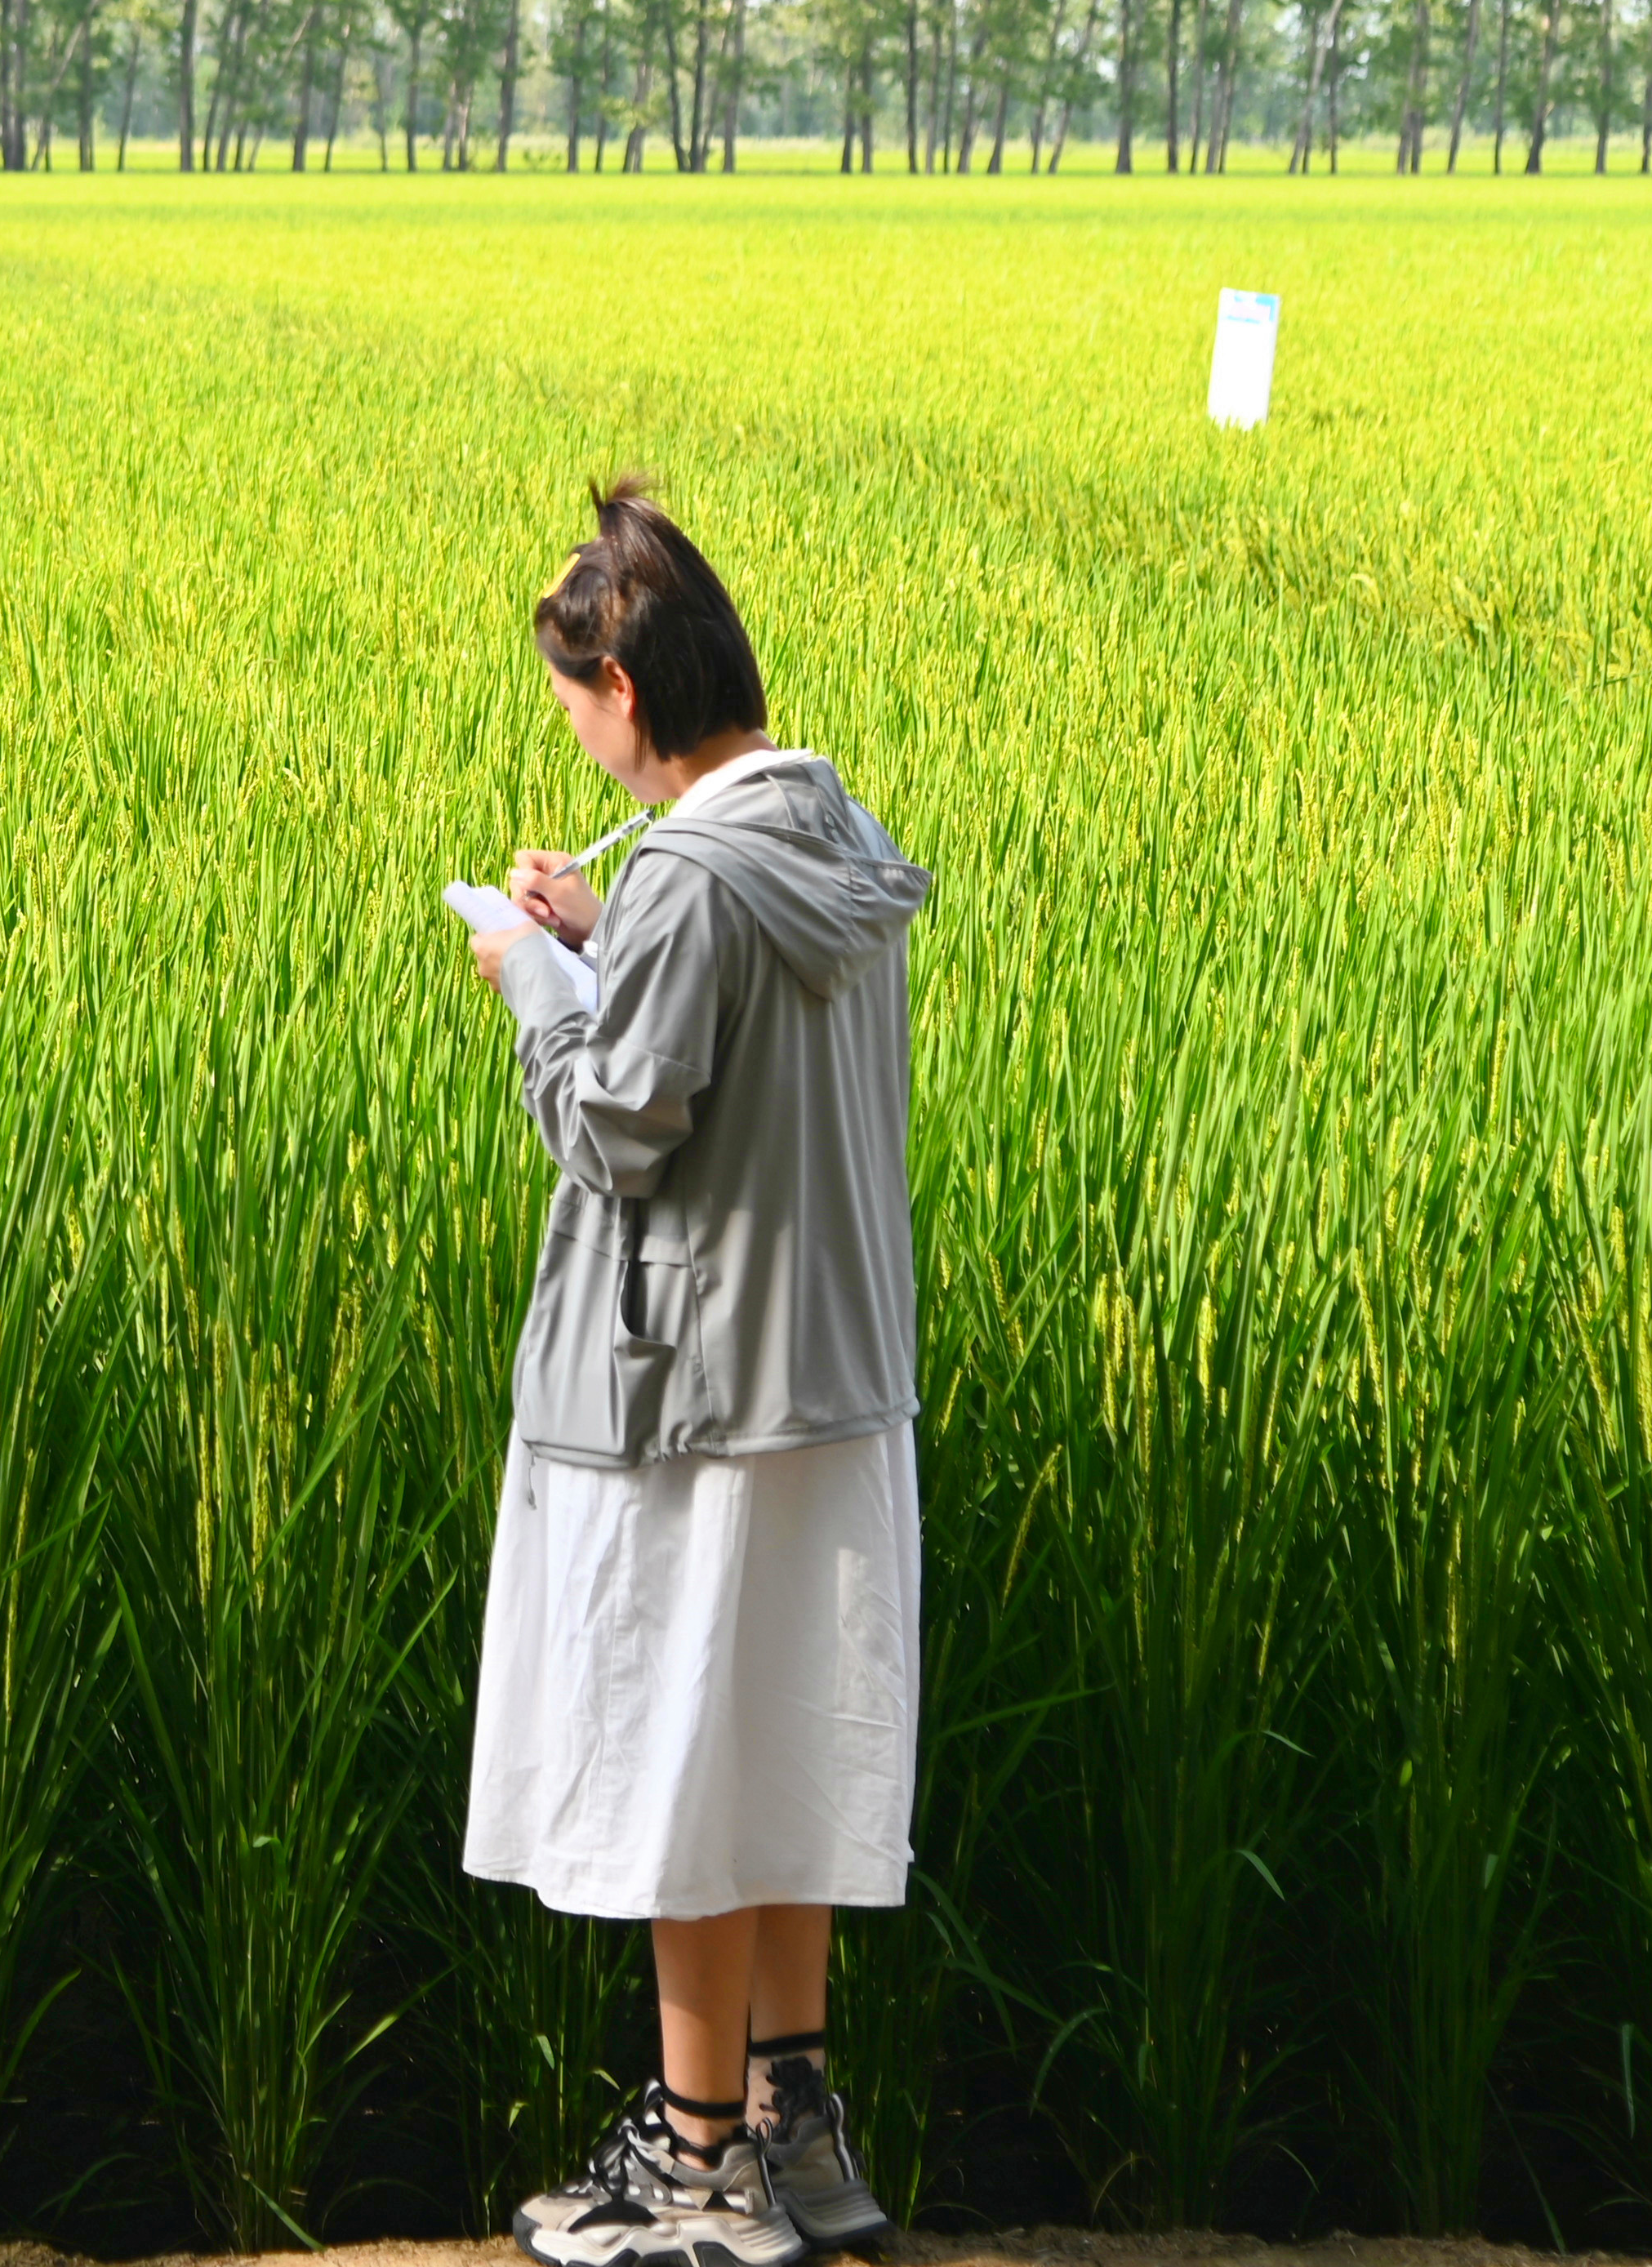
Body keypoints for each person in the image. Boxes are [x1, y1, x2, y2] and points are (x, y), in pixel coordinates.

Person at [462, 480, 933, 2267]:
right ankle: (797, 2124)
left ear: (630, 697)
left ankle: (696, 2167)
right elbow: (721, 1044)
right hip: (839, 1380)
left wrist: (531, 977)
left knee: (686, 1770)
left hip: (698, 1392)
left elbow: (620, 1124)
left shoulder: (690, 878)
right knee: (791, 1752)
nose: (574, 735)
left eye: (574, 704)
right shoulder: (834, 838)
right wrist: (612, 935)